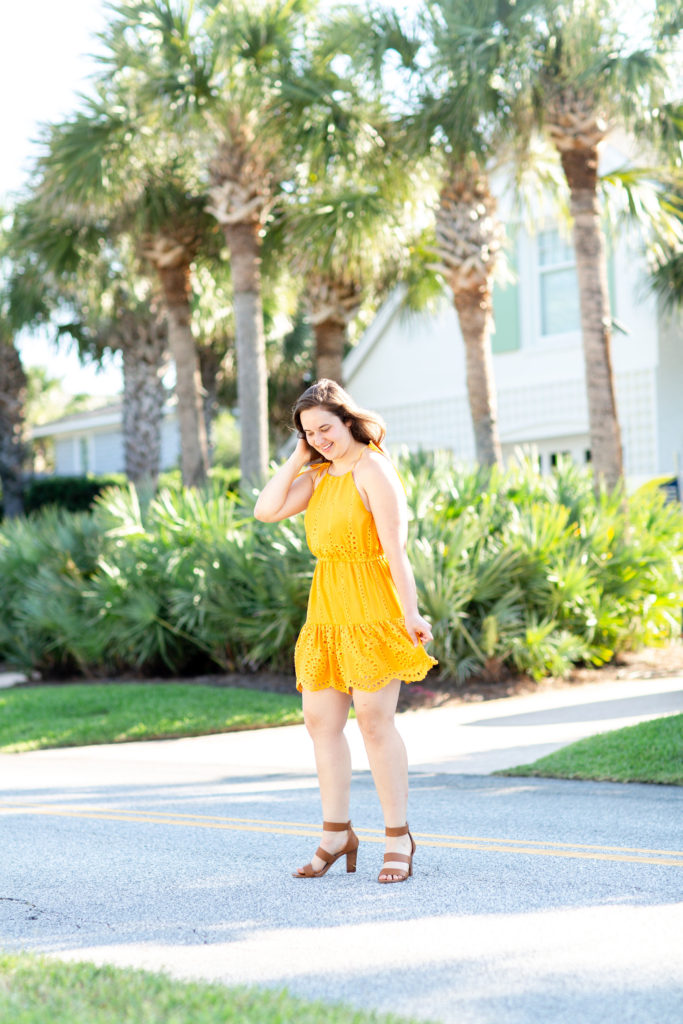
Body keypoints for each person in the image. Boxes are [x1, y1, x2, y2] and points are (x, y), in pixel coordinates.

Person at [254, 380, 437, 883]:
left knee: (375, 723)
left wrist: (411, 613)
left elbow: (395, 549)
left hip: (373, 606)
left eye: (325, 428)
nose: (319, 439)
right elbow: (265, 510)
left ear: (347, 420)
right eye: (309, 433)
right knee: (320, 721)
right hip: (327, 611)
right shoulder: (316, 475)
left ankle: (398, 836)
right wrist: (296, 457)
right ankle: (336, 834)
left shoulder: (373, 469)